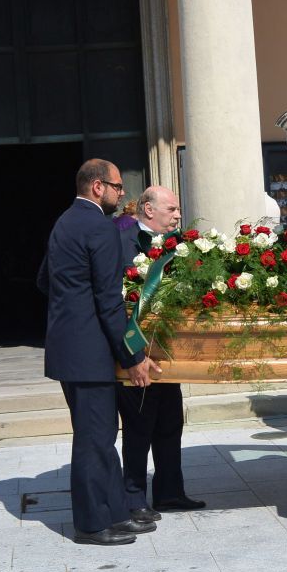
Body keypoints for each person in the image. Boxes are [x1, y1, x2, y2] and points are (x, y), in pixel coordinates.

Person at [38, 158, 161, 546]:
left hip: (70, 346)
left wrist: (70, 307)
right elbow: (109, 302)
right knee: (94, 439)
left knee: (102, 435)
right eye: (117, 187)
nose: (121, 194)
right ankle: (92, 524)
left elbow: (44, 280)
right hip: (88, 351)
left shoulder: (64, 222)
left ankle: (116, 513)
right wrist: (133, 357)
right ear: (97, 187)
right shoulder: (99, 227)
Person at [117, 186, 205, 519]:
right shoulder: (121, 242)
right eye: (172, 209)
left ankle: (170, 492)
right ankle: (134, 498)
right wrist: (133, 353)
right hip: (136, 351)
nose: (178, 215)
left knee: (170, 423)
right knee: (138, 428)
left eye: (178, 210)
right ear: (149, 210)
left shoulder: (180, 245)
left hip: (169, 351)